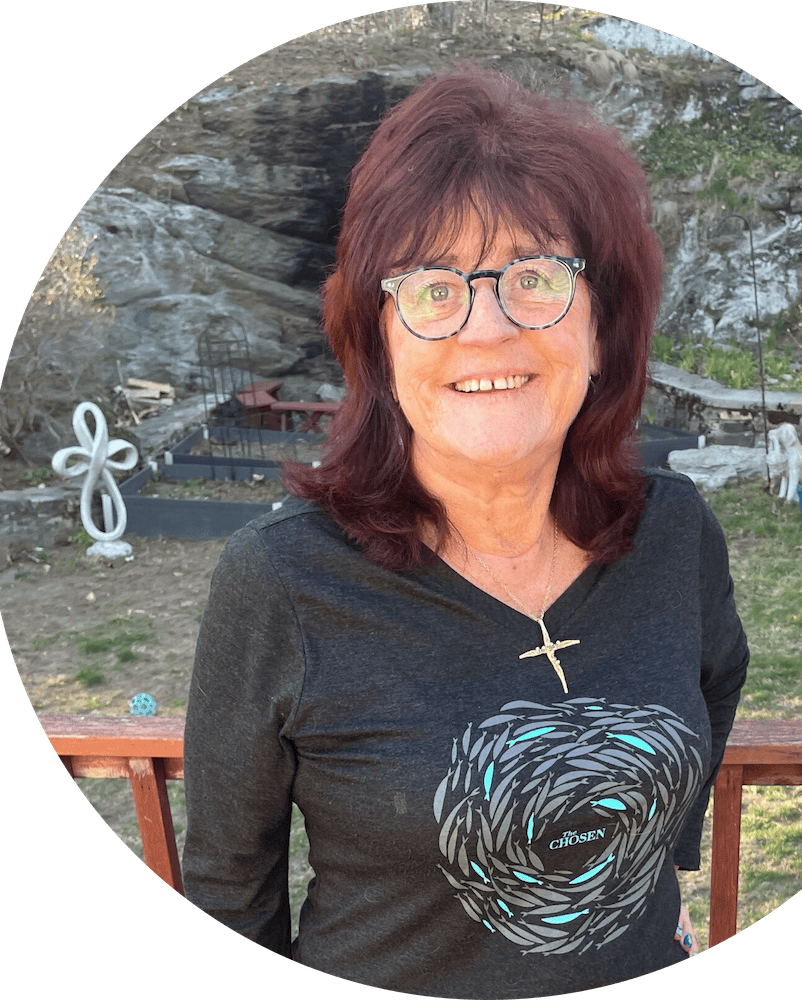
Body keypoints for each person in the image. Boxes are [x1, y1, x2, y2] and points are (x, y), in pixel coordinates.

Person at [183, 64, 748, 999]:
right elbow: (226, 898)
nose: (486, 327)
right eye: (433, 288)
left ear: (603, 326)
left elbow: (716, 683)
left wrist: (655, 861)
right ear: (380, 341)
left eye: (535, 277)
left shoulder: (674, 533)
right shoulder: (281, 583)